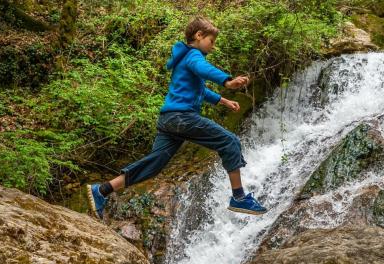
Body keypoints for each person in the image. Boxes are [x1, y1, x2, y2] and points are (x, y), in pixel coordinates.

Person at [86, 16, 267, 220]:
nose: (213, 47)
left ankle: (101, 190)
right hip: (182, 118)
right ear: (199, 36)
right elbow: (204, 70)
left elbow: (199, 89)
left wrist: (223, 101)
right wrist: (227, 81)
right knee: (230, 141)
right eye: (211, 41)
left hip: (169, 120)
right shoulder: (193, 56)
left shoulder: (184, 59)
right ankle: (239, 197)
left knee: (154, 164)